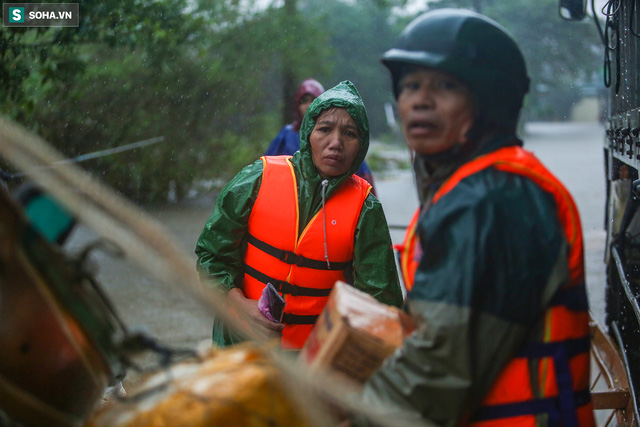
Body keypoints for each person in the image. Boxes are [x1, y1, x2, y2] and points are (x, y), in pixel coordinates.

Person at [355, 9, 595, 426]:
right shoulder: (467, 187)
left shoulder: (494, 198)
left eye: (445, 86)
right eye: (410, 85)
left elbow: (436, 369)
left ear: (489, 100)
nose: (419, 100)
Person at [195, 80, 403, 351]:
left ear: (361, 145)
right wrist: (239, 304)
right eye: (325, 129)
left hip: (310, 364)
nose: (336, 143)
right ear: (308, 134)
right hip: (238, 344)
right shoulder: (255, 179)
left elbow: (380, 306)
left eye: (349, 134)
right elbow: (212, 255)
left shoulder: (367, 210)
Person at [266, 78, 378, 196]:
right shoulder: (286, 134)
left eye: (313, 100)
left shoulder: (349, 152)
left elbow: (364, 180)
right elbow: (270, 169)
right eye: (304, 101)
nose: (335, 143)